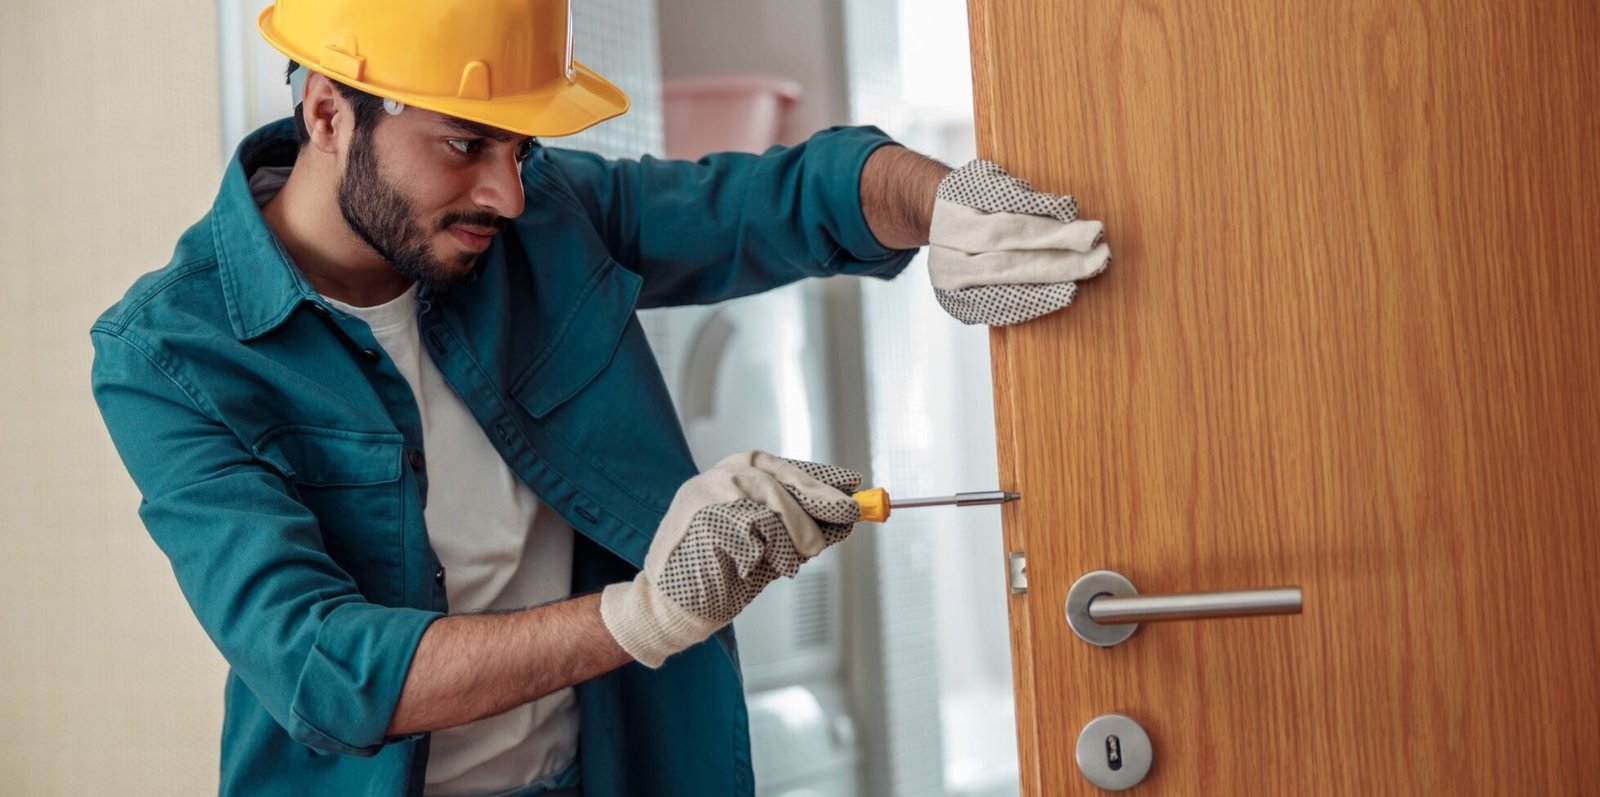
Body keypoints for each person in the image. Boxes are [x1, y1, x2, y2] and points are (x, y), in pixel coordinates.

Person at [88, 1, 1112, 795]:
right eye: (464, 143)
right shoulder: (173, 356)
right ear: (326, 111)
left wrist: (943, 204)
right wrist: (646, 611)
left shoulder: (548, 218)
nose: (510, 193)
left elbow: (777, 198)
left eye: (520, 148)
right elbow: (321, 662)